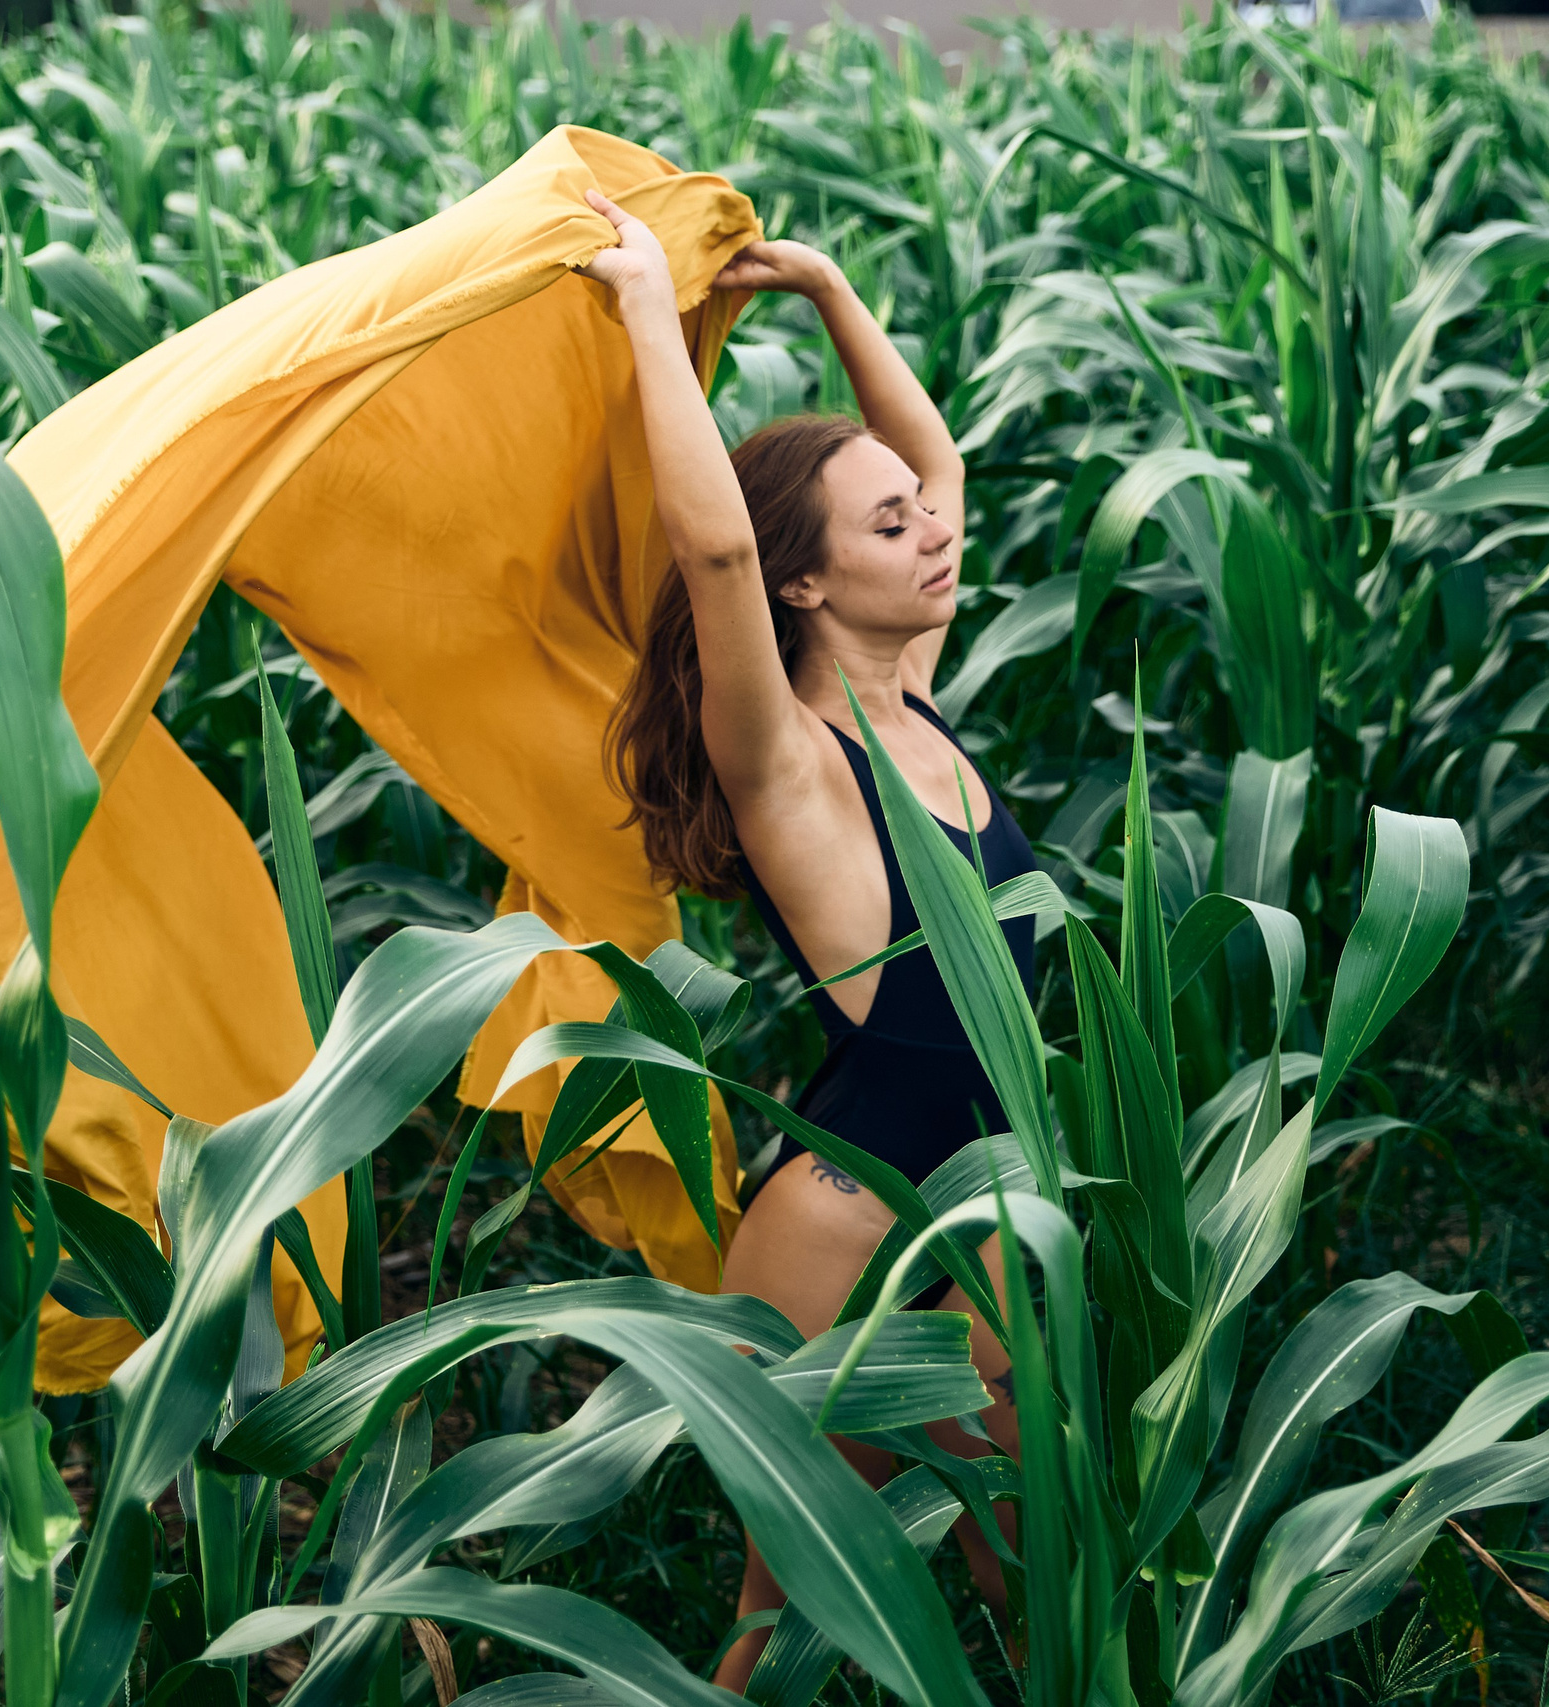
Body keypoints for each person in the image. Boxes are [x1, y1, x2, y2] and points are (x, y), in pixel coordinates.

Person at [582, 188, 1042, 1689]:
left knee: (1037, 1576)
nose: (933, 533)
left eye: (921, 520)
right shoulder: (785, 762)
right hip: (850, 1237)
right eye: (887, 526)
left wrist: (835, 290)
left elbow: (946, 463)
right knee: (784, 1624)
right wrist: (653, 308)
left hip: (981, 1209)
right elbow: (711, 556)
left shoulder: (911, 694)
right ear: (802, 582)